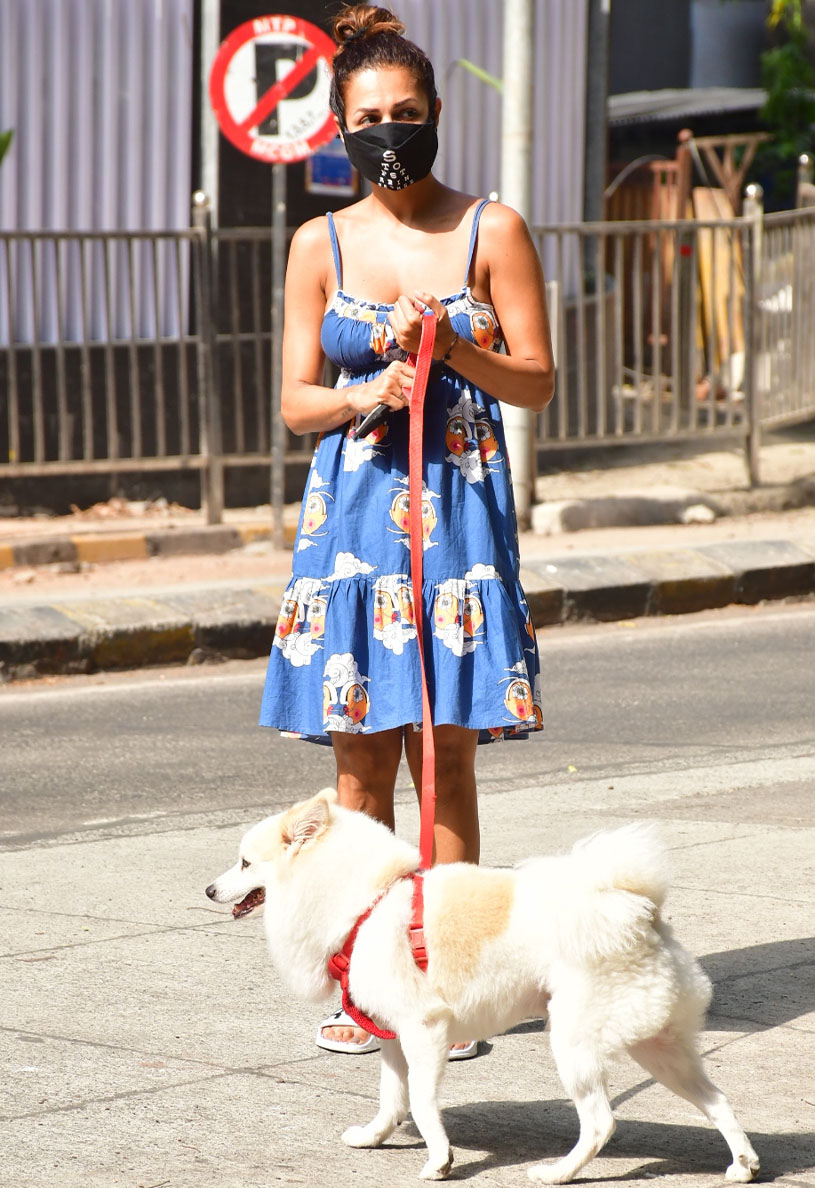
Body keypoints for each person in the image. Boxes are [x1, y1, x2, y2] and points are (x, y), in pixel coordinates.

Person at [258, 2, 554, 1057]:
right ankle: (367, 986)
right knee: (359, 770)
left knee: (448, 758)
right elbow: (295, 401)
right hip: (351, 528)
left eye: (407, 114)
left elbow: (538, 380)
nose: (390, 132)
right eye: (369, 117)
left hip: (458, 522)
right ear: (342, 127)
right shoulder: (318, 243)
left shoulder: (491, 230)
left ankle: (446, 984)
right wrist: (362, 391)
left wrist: (450, 348)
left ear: (436, 114)